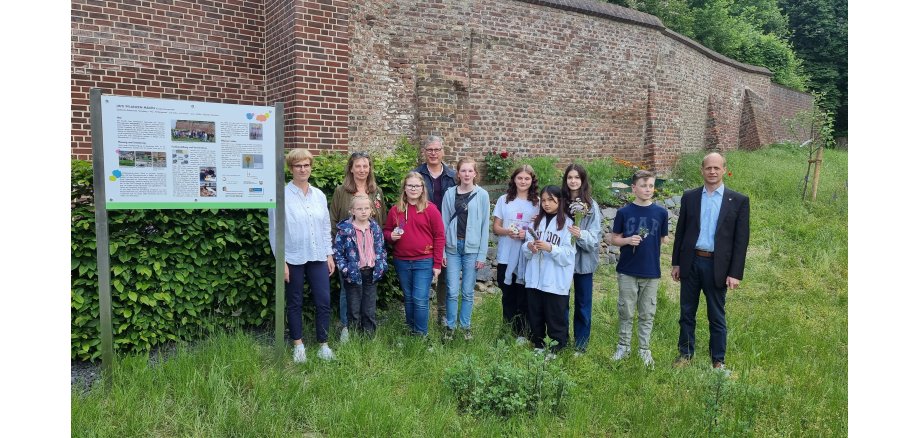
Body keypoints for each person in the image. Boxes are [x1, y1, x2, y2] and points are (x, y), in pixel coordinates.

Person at [671, 152, 750, 372]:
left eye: (717, 168)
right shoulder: (690, 197)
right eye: (708, 168)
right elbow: (681, 232)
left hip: (717, 266)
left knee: (716, 315)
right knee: (687, 312)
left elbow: (741, 241)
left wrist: (735, 273)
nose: (712, 172)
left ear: (725, 170)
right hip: (691, 262)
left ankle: (718, 360)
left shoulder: (738, 201)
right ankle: (685, 354)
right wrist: (676, 263)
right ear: (702, 170)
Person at [268, 149, 336, 363]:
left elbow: (326, 226)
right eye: (298, 165)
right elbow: (275, 231)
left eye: (306, 165)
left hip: (317, 255)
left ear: (311, 167)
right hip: (293, 257)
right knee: (295, 302)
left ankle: (323, 344)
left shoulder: (319, 195)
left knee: (324, 300)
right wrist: (282, 261)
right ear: (291, 169)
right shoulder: (282, 195)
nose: (303, 169)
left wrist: (329, 254)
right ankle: (298, 346)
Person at [610, 170, 669, 367]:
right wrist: (628, 240)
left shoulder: (661, 213)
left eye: (651, 186)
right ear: (634, 188)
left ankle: (644, 349)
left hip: (651, 271)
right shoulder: (624, 213)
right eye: (643, 186)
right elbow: (613, 239)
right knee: (625, 310)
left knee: (647, 312)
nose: (647, 189)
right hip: (627, 270)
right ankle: (623, 347)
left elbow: (663, 238)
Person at [329, 152, 387, 342]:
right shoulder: (341, 191)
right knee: (348, 291)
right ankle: (347, 327)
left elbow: (382, 220)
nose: (362, 170)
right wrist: (335, 253)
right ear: (351, 168)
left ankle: (367, 331)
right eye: (358, 166)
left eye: (365, 166)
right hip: (348, 254)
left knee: (369, 296)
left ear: (370, 168)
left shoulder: (376, 191)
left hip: (370, 255)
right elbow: (334, 221)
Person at [384, 171, 446, 337]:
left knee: (420, 298)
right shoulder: (395, 210)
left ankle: (421, 334)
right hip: (402, 261)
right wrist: (391, 236)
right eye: (410, 185)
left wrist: (437, 263)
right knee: (409, 297)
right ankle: (411, 330)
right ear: (404, 188)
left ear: (422, 188)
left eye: (417, 186)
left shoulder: (431, 210)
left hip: (424, 260)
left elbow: (439, 236)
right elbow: (386, 231)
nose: (413, 189)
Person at [440, 158, 491, 341]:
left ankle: (465, 326)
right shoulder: (449, 194)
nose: (467, 174)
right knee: (452, 290)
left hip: (472, 249)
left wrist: (482, 254)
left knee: (468, 291)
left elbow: (486, 225)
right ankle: (451, 327)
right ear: (458, 173)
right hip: (453, 247)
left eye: (470, 171)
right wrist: (443, 251)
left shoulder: (482, 195)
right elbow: (444, 222)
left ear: (475, 174)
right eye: (463, 171)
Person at [522, 185, 576, 357]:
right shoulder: (535, 221)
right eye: (543, 200)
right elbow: (525, 246)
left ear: (559, 201)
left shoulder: (568, 224)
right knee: (536, 312)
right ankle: (538, 343)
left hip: (555, 278)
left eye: (551, 200)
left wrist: (550, 247)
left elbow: (568, 254)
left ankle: (557, 346)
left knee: (555, 315)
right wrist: (530, 247)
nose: (546, 204)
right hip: (535, 277)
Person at [492, 165, 540, 345]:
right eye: (520, 178)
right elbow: (496, 227)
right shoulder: (504, 200)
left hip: (526, 256)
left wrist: (526, 233)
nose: (523, 181)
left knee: (524, 294)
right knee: (507, 294)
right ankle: (507, 328)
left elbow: (541, 227)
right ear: (514, 179)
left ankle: (522, 331)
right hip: (506, 254)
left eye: (527, 179)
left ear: (532, 181)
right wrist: (507, 231)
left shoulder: (537, 203)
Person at [560, 163, 602, 355]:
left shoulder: (591, 206)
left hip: (583, 261)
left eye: (577, 177)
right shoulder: (559, 202)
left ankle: (581, 344)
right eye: (570, 177)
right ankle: (560, 339)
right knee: (560, 302)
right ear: (566, 180)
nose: (573, 181)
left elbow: (594, 239)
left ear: (583, 180)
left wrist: (580, 234)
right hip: (561, 260)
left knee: (583, 303)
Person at [415, 135, 456, 328]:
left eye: (437, 149)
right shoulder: (416, 175)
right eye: (429, 150)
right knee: (422, 274)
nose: (433, 153)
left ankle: (442, 314)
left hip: (446, 231)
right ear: (424, 152)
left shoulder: (452, 176)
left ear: (443, 152)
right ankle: (418, 316)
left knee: (445, 277)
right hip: (422, 231)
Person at [333, 195, 387, 336]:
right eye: (359, 208)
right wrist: (345, 269)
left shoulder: (375, 228)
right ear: (352, 211)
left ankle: (369, 338)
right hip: (353, 274)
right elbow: (338, 253)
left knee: (369, 308)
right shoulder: (345, 230)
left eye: (366, 208)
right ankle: (354, 337)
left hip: (371, 273)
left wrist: (381, 265)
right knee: (354, 308)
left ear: (371, 210)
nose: (363, 211)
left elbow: (381, 249)